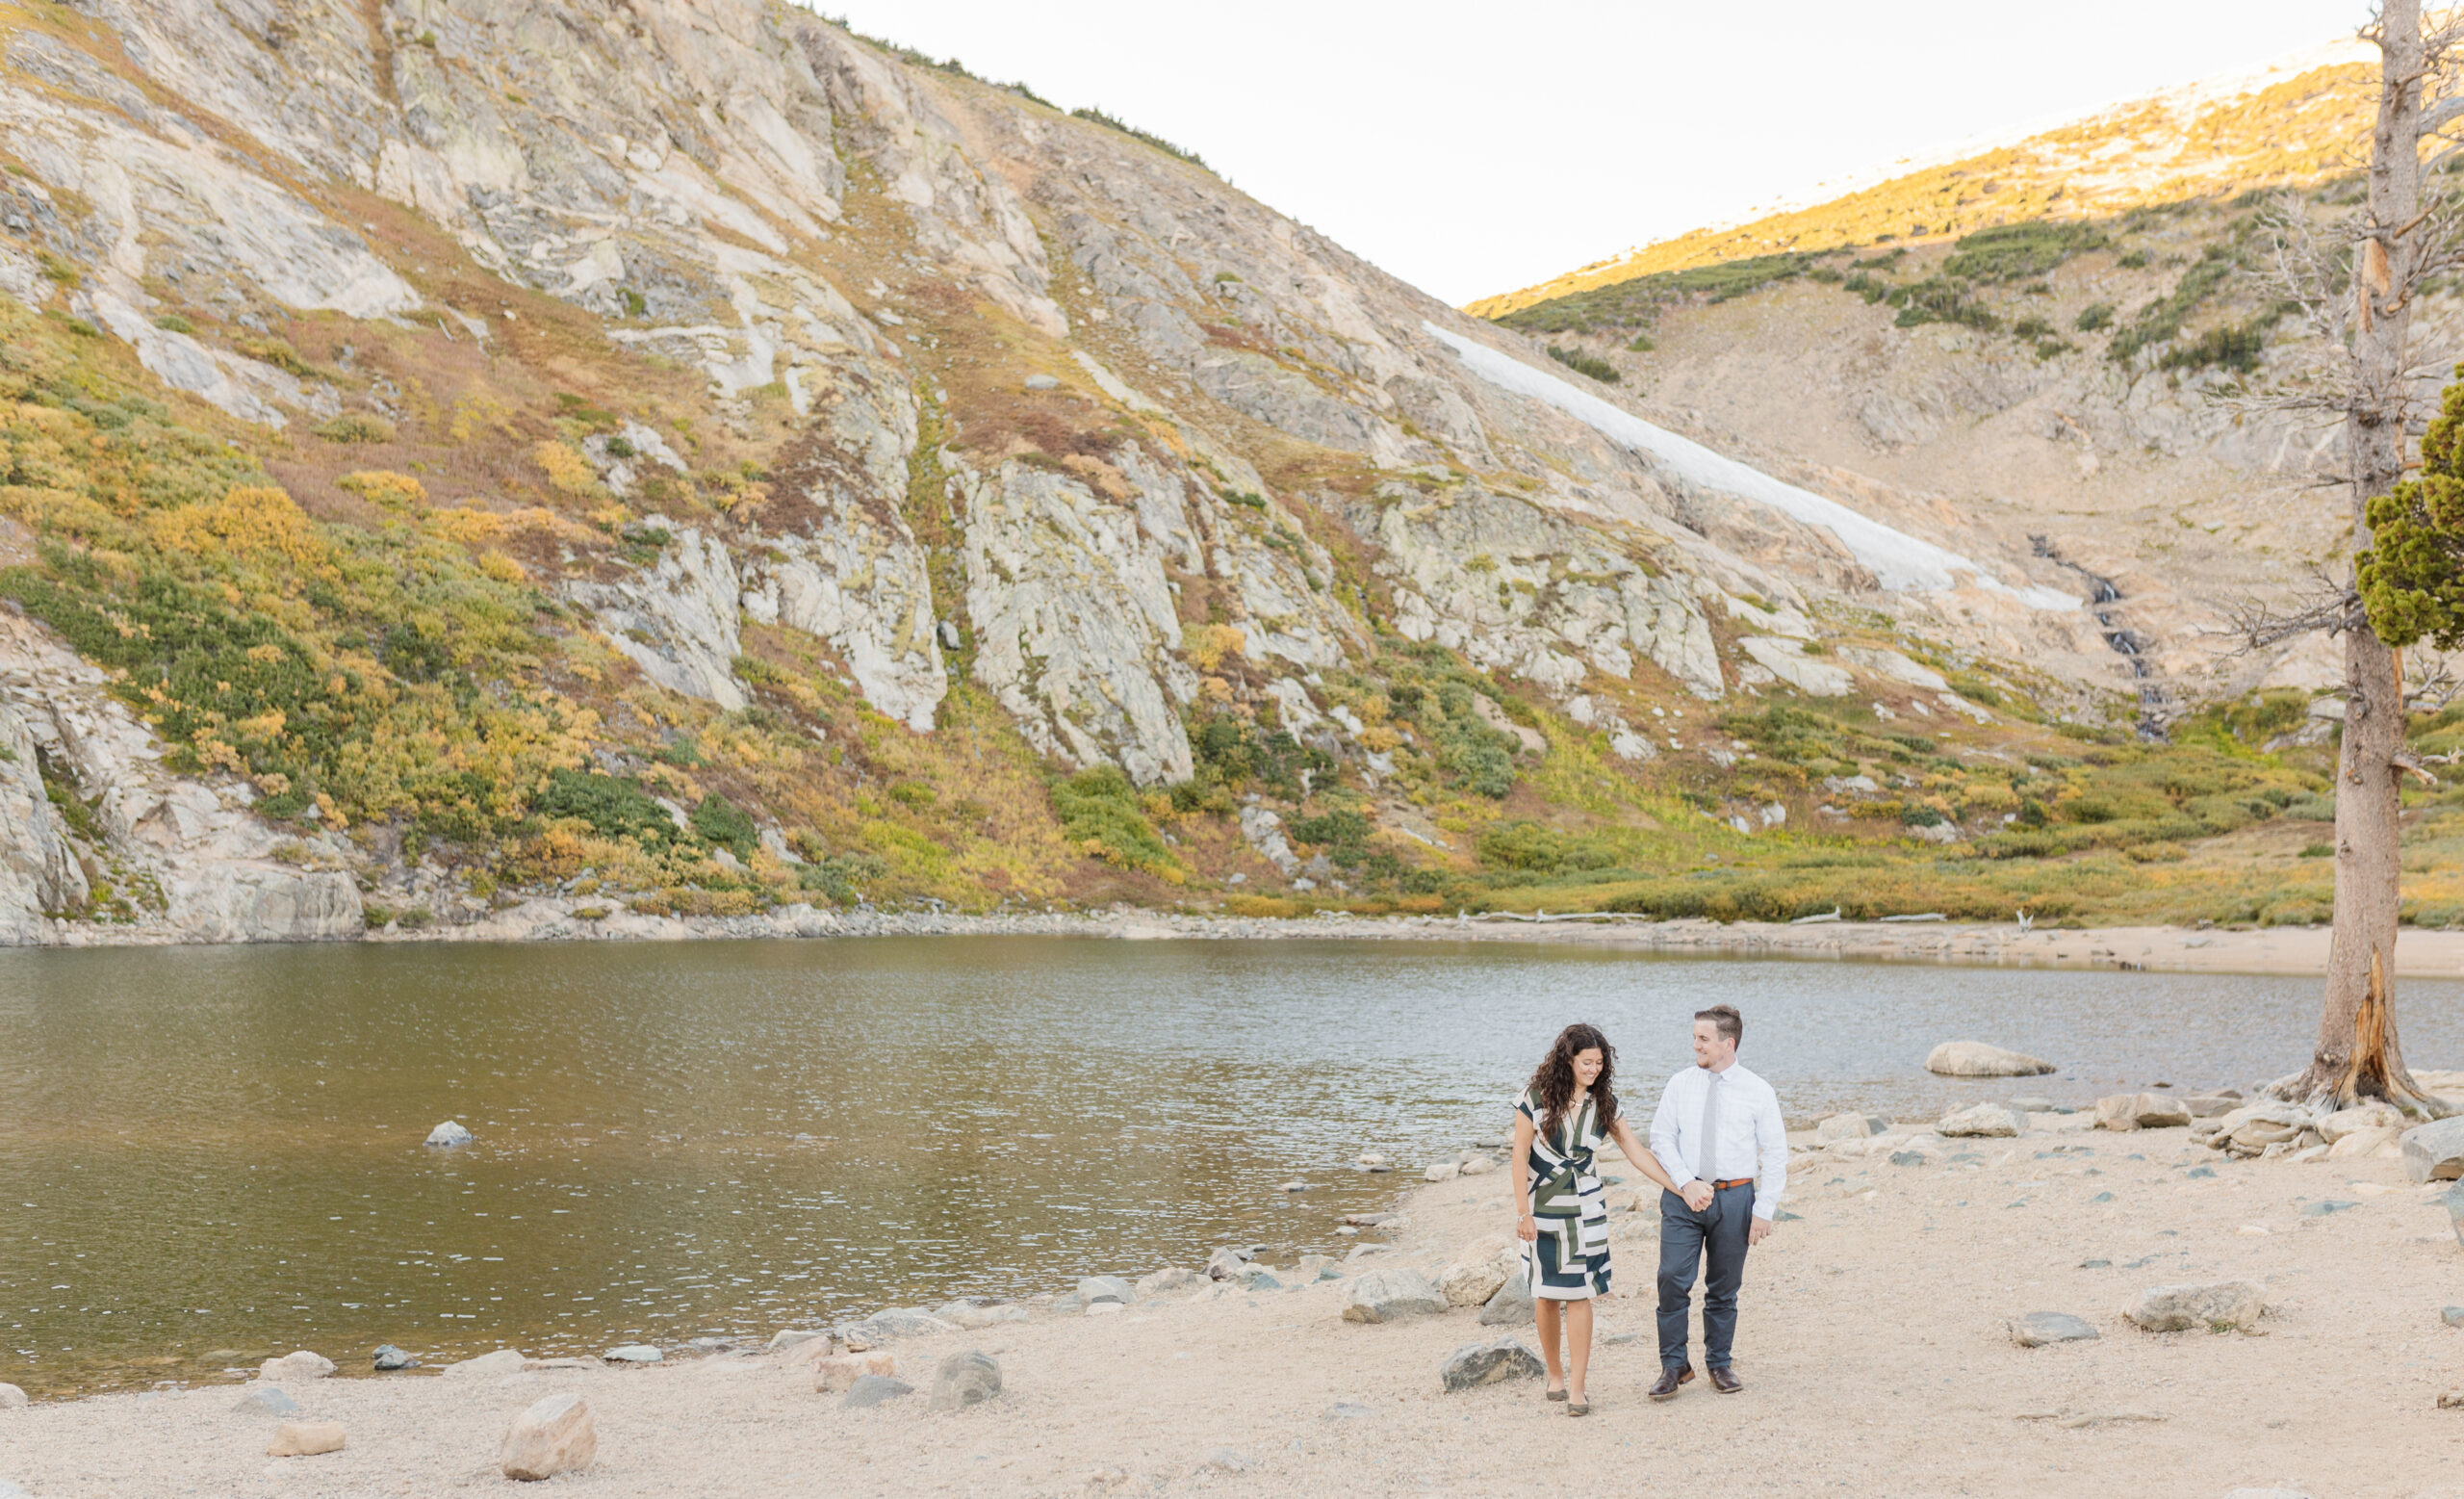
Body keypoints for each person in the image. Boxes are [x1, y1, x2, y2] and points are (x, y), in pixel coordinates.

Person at [1511, 1021, 1681, 1416]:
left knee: (1582, 1293)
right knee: (1548, 1295)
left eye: (1600, 1063)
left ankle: (1578, 1388)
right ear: (1567, 1060)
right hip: (1541, 1209)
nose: (1594, 1070)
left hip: (1587, 1209)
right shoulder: (1534, 1099)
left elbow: (1636, 1152)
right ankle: (1554, 1373)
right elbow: (1519, 1155)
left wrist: (1679, 1187)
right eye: (1587, 1062)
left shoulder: (1605, 1104)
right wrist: (1522, 1212)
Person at [1646, 1002, 1785, 1399]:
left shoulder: (1758, 1091)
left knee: (1724, 1288)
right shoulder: (1679, 1084)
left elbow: (1775, 1152)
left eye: (1703, 1039)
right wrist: (1687, 1182)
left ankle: (1719, 1364)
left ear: (1729, 1042)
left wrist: (1764, 1209)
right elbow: (1660, 1137)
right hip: (1683, 1197)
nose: (1695, 1046)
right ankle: (1673, 1366)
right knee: (1672, 1279)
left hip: (1736, 1198)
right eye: (1694, 1037)